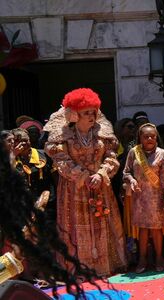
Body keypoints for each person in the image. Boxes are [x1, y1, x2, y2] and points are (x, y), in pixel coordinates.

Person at [0, 128, 100, 297]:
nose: (14, 144)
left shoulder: (37, 155)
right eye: (9, 141)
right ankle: (12, 278)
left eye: (14, 141)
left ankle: (35, 274)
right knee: (12, 244)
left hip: (29, 207)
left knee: (34, 241)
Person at [43, 88, 127, 276]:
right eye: (86, 112)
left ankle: (104, 266)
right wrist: (82, 176)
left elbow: (112, 157)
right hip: (74, 189)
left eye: (93, 112)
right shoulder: (63, 136)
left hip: (100, 185)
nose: (91, 116)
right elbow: (61, 161)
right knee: (75, 228)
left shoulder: (102, 133)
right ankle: (79, 268)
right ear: (74, 115)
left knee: (102, 221)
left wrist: (101, 173)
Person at [123, 123, 164, 273]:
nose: (150, 139)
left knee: (157, 229)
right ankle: (142, 259)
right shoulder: (133, 152)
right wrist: (131, 180)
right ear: (140, 138)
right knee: (143, 229)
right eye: (146, 136)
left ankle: (159, 258)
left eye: (152, 136)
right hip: (139, 197)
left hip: (157, 197)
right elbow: (126, 172)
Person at [9, 128, 54, 220]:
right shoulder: (9, 158)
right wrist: (13, 155)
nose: (23, 143)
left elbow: (55, 177)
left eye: (26, 140)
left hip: (47, 202)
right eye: (19, 141)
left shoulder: (45, 155)